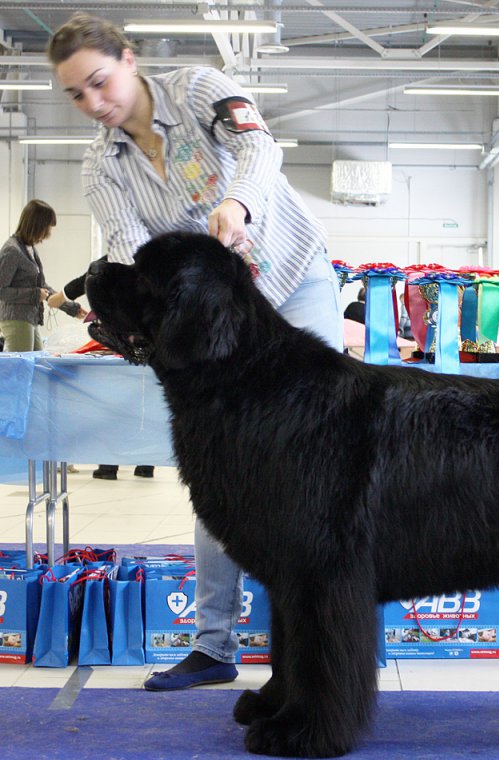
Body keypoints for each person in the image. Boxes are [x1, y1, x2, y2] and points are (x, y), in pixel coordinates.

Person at [48, 13, 343, 690]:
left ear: (128, 58)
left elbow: (260, 152)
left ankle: (329, 637)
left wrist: (236, 207)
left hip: (294, 281)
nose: (96, 104)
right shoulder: (103, 166)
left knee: (325, 463)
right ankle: (215, 645)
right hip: (217, 327)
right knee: (224, 473)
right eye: (77, 96)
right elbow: (125, 251)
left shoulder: (199, 88)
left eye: (100, 81)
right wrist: (123, 322)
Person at [49, 259, 154, 481]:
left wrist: (61, 296)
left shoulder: (110, 261)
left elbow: (85, 279)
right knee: (143, 402)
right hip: (147, 344)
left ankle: (109, 466)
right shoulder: (156, 261)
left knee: (111, 404)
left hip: (118, 342)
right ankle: (146, 463)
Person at [0, 200, 85, 351]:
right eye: (47, 228)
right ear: (37, 225)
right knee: (23, 370)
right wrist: (34, 294)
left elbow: (42, 288)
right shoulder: (11, 251)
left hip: (29, 319)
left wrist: (72, 308)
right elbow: (2, 291)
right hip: (16, 319)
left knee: (37, 364)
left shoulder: (29, 248)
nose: (48, 234)